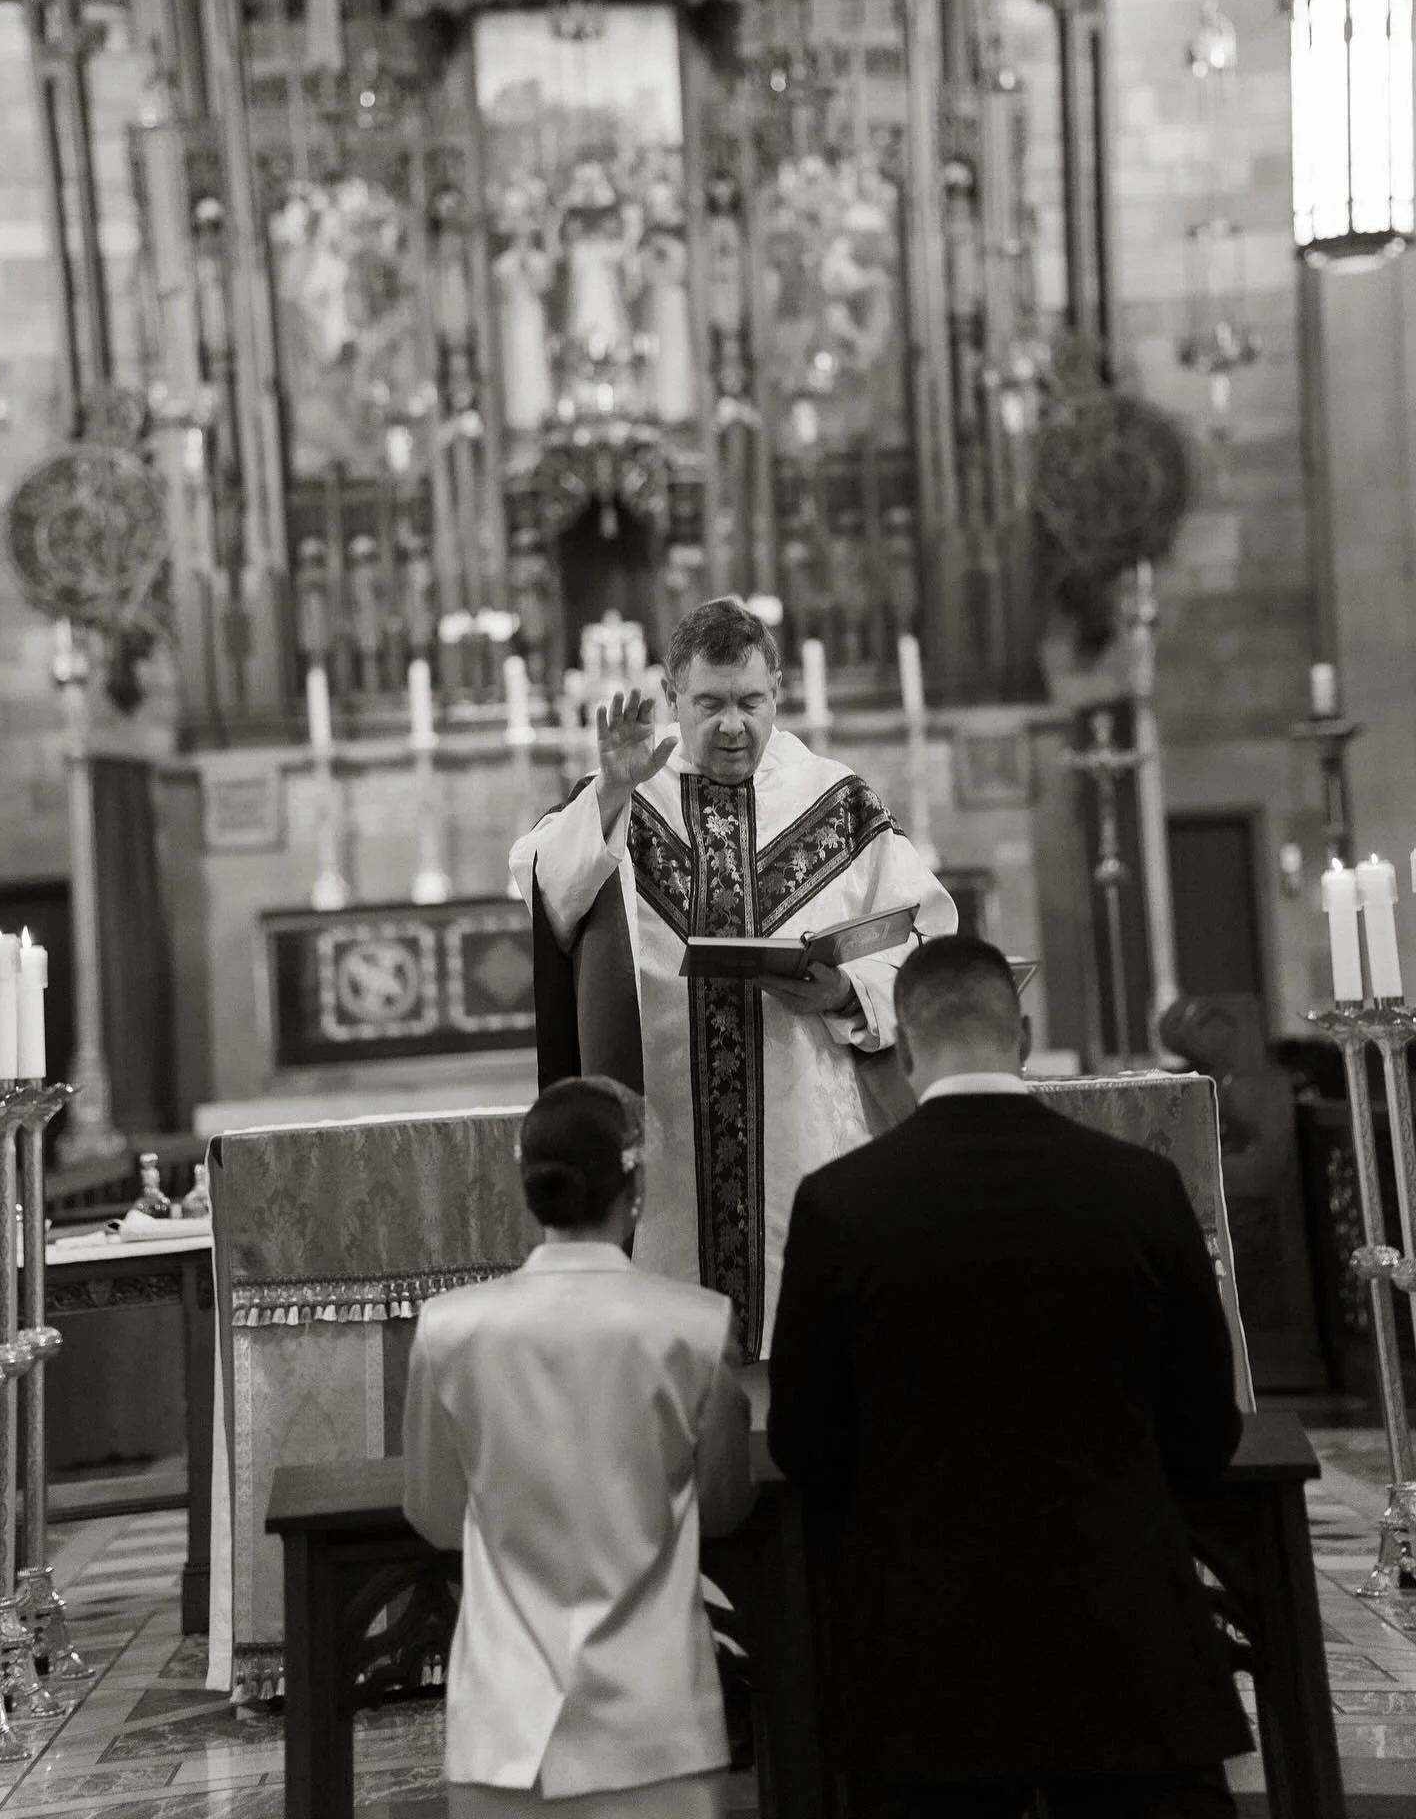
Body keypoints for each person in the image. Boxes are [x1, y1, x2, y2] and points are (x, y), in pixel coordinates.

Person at [766, 935, 1253, 1819]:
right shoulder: (1139, 1187)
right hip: (1128, 1651)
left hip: (926, 1667)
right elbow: (1204, 1429)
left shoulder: (841, 1206)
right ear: (1022, 1038)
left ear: (906, 1049)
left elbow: (807, 1441)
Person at [509, 598, 957, 1360]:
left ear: (778, 689)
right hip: (668, 1144)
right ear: (670, 694)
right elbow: (550, 897)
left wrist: (849, 992)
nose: (732, 726)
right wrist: (610, 795)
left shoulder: (837, 800)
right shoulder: (628, 793)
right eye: (709, 703)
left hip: (808, 1135)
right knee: (678, 1370)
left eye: (750, 702)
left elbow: (926, 937)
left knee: (813, 1355)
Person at [402, 1076, 754, 1818]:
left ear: (529, 1187)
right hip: (655, 1723)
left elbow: (435, 1516)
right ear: (636, 1188)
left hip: (504, 1724)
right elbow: (722, 1508)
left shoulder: (449, 1330)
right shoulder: (695, 1326)